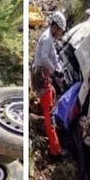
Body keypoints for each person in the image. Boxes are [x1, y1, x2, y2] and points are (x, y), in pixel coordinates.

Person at [31, 11, 66, 156]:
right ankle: (55, 150)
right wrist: (54, 70)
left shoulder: (50, 38)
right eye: (60, 31)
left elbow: (54, 56)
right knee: (49, 115)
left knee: (52, 93)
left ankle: (42, 107)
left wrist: (59, 70)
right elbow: (45, 57)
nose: (60, 34)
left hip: (44, 76)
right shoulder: (46, 39)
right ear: (55, 27)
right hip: (40, 76)